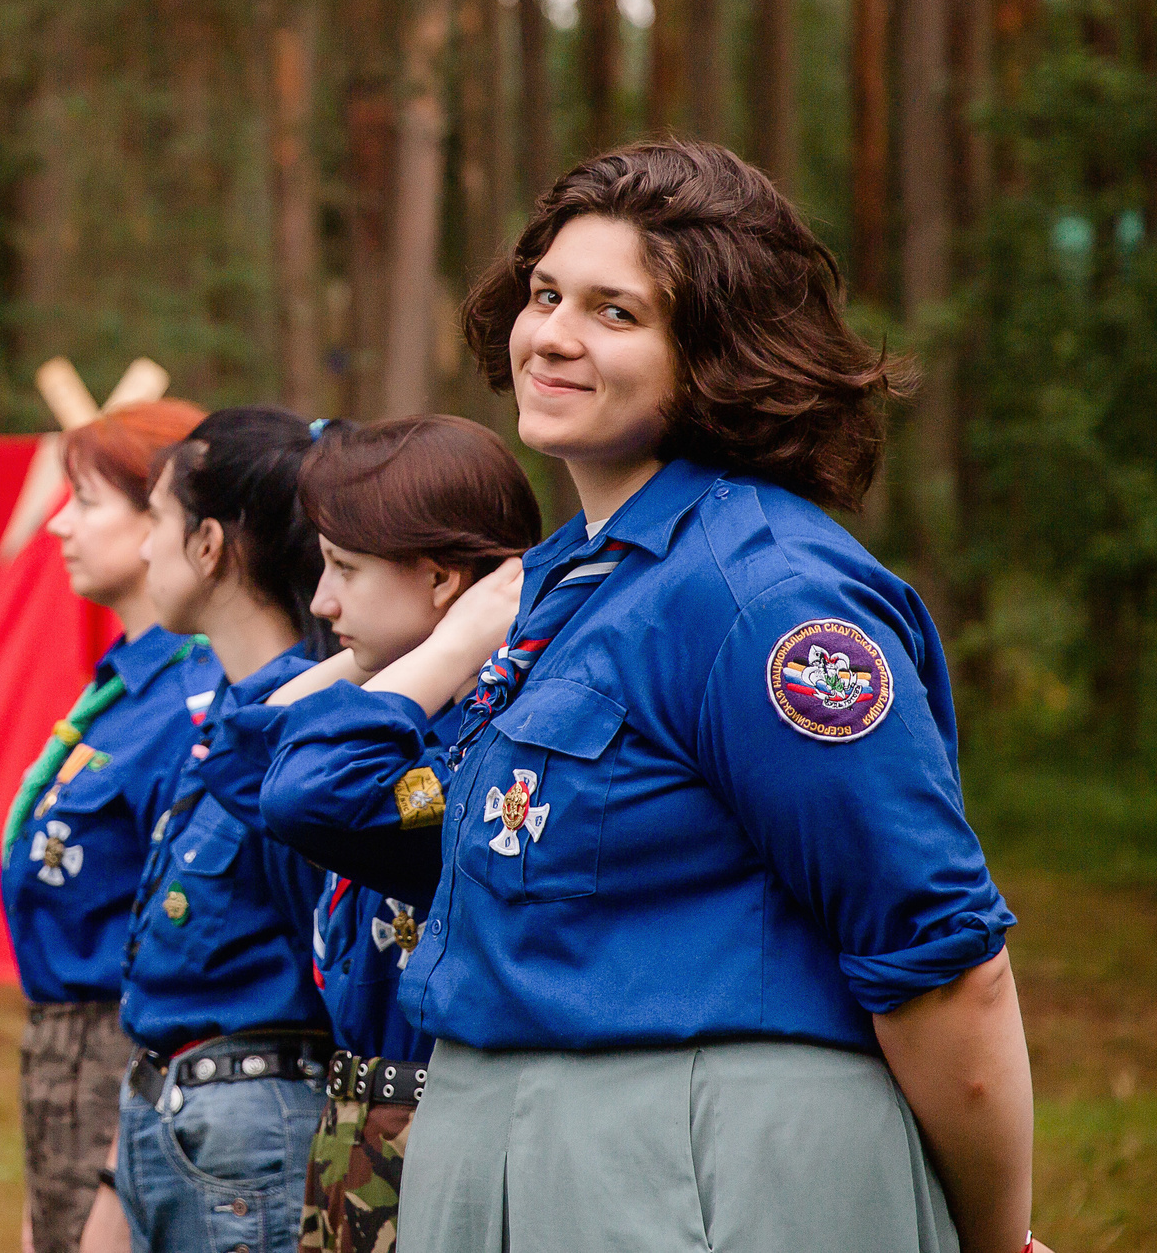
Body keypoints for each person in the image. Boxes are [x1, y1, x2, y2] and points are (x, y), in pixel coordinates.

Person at [274, 139, 1045, 1253]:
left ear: (718, 350)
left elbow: (940, 959)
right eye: (544, 295)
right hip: (492, 1142)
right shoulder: (569, 590)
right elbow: (328, 801)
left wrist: (992, 1235)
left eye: (615, 312)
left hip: (696, 1166)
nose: (552, 335)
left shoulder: (764, 597)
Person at [215, 415, 541, 1253]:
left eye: (346, 569)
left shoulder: (479, 737)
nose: (322, 602)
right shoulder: (401, 711)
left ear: (441, 578)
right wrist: (385, 660)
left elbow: (306, 792)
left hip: (439, 1128)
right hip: (357, 1118)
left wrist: (456, 643)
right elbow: (241, 754)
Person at [81, 406, 337, 1253]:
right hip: (177, 1115)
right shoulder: (228, 713)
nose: (145, 543)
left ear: (209, 545)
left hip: (250, 1135)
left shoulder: (298, 737)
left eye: (155, 515)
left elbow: (332, 960)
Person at [0, 398, 216, 1253]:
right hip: (64, 1052)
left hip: (124, 1050)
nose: (57, 523)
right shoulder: (129, 682)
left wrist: (109, 1172)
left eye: (88, 502)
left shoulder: (189, 698)